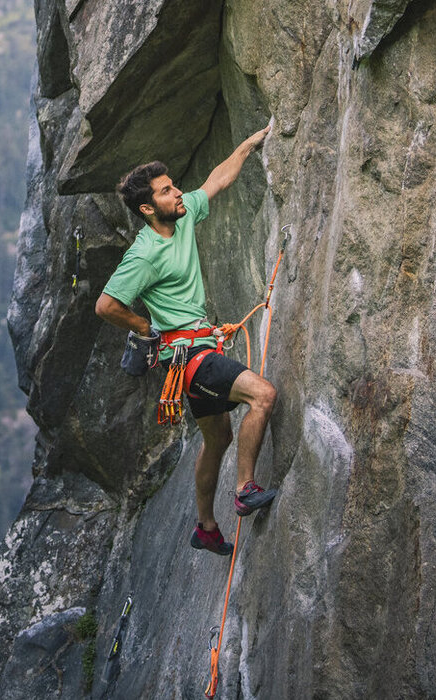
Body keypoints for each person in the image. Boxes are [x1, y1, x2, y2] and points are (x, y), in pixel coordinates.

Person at [94, 128, 279, 556]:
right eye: (166, 191)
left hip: (198, 351)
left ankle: (205, 528)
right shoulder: (144, 254)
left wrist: (249, 145)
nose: (178, 193)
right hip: (189, 359)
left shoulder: (182, 216)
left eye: (174, 185)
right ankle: (244, 489)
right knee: (263, 396)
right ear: (147, 208)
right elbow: (106, 305)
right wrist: (144, 328)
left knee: (218, 439)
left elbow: (217, 181)